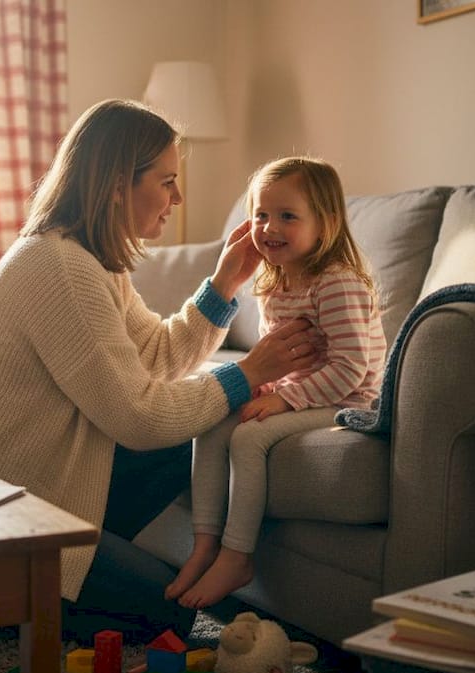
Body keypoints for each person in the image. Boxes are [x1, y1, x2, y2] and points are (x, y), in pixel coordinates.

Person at [0, 99, 319, 643]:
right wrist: (246, 374)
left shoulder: (88, 261)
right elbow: (138, 417)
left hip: (24, 496)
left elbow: (154, 355)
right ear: (115, 185)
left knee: (192, 439)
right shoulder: (58, 267)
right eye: (167, 180)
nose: (177, 198)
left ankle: (84, 570)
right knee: (168, 617)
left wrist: (225, 285)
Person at [165, 156, 387, 610]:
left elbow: (350, 367)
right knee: (212, 419)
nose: (270, 227)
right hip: (302, 394)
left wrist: (284, 401)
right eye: (261, 215)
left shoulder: (337, 282)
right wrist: (267, 387)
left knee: (248, 440)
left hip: (347, 399)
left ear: (324, 225)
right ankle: (204, 544)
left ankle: (236, 555)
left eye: (288, 216)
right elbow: (278, 355)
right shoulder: (276, 281)